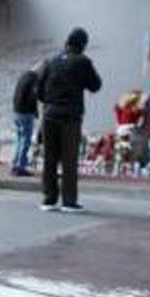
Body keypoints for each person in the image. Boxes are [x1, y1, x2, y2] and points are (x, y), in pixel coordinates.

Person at [35, 27, 102, 212]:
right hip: (70, 117)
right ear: (82, 45)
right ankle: (69, 201)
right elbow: (96, 85)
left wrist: (50, 101)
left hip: (49, 114)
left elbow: (38, 89)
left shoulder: (50, 62)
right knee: (69, 159)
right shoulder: (82, 61)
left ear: (67, 42)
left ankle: (49, 199)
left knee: (49, 158)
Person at [11, 65, 40, 176]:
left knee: (19, 139)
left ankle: (15, 164)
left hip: (16, 111)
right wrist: (35, 110)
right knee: (26, 140)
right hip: (25, 113)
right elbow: (33, 96)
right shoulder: (34, 80)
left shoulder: (23, 77)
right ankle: (20, 167)